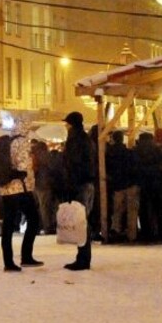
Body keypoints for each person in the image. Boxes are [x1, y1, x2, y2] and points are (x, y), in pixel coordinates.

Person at [0, 121, 42, 271]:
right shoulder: (22, 143)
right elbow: (24, 167)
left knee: (8, 224)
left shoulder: (8, 142)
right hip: (20, 188)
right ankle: (26, 256)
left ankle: (8, 261)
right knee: (34, 219)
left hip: (6, 188)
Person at [60, 112, 96, 271]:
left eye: (67, 123)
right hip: (86, 182)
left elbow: (73, 164)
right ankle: (83, 257)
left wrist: (69, 184)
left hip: (79, 184)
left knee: (81, 223)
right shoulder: (85, 138)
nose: (65, 126)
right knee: (82, 221)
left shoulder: (75, 140)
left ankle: (83, 258)